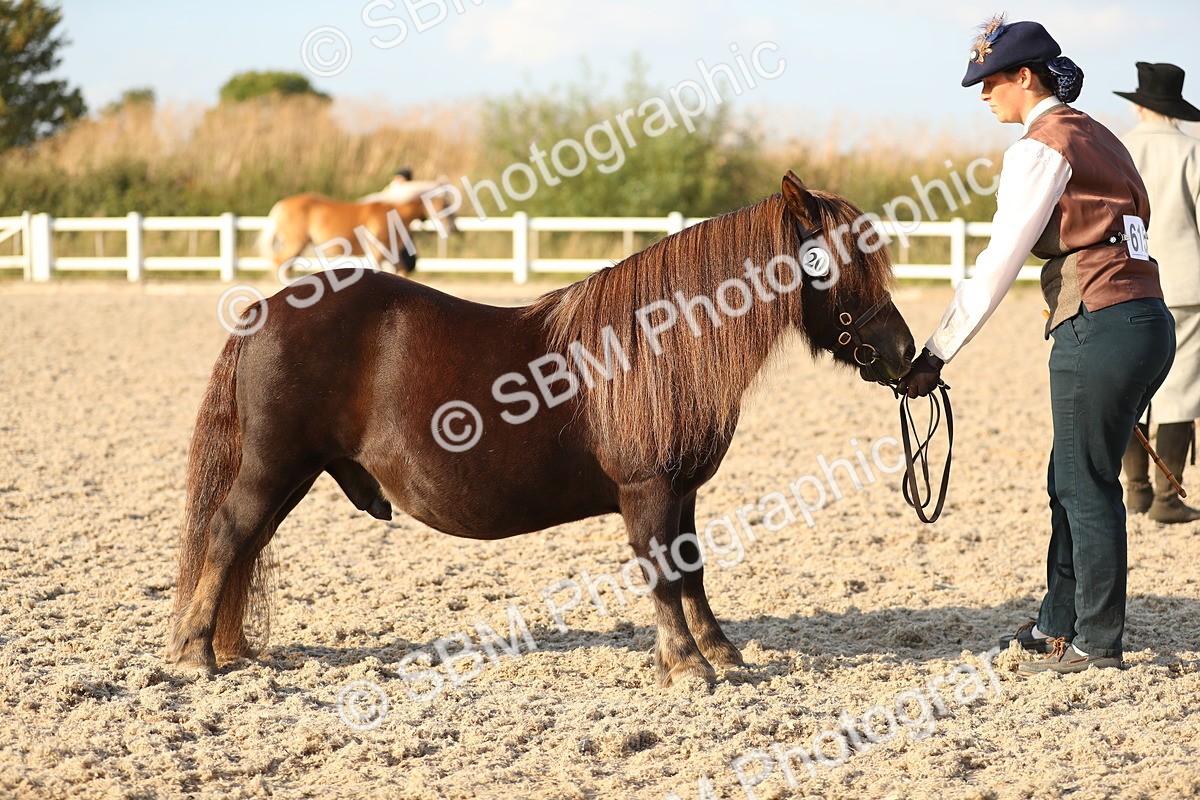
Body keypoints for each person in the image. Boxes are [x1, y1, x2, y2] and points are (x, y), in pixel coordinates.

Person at [896, 15, 1175, 674]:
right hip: (1147, 320)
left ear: (1024, 76)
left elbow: (998, 261)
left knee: (1085, 488)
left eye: (989, 81)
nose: (983, 94)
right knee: (1070, 479)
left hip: (1096, 325)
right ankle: (1058, 620)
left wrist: (937, 352)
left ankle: (1096, 643)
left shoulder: (1039, 147)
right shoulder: (1099, 134)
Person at [1115, 63, 1200, 523]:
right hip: (1186, 286)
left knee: (1132, 387)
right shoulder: (1194, 153)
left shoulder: (1117, 148)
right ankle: (1169, 501)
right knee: (1182, 390)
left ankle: (1138, 491)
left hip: (1128, 281)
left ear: (1139, 104)